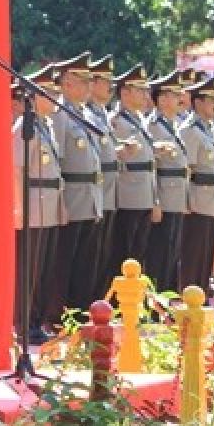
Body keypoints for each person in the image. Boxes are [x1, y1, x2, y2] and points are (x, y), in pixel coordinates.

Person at [12, 65, 63, 344]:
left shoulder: (46, 127)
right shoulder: (25, 126)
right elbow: (16, 169)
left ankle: (37, 320)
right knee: (29, 268)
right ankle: (24, 322)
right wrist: (18, 206)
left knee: (43, 268)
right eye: (50, 93)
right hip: (32, 201)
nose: (56, 98)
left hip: (49, 202)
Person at [50, 52, 104, 315]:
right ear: (68, 82)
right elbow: (56, 161)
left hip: (90, 194)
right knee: (65, 258)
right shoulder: (58, 115)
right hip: (71, 195)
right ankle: (60, 312)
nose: (89, 87)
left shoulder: (86, 114)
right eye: (83, 81)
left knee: (86, 259)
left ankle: (81, 309)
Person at [179, 76, 214, 297]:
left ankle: (201, 293)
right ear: (197, 103)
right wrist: (186, 201)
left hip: (213, 197)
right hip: (197, 197)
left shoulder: (211, 128)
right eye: (211, 100)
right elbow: (186, 169)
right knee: (194, 251)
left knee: (206, 251)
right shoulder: (190, 130)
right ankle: (190, 296)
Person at [110, 65, 157, 278]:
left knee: (140, 250)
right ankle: (123, 301)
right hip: (128, 193)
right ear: (125, 93)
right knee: (124, 252)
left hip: (144, 191)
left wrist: (155, 198)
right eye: (140, 90)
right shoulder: (116, 121)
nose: (146, 95)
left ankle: (137, 299)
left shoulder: (139, 120)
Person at [146, 70, 187, 293]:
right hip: (164, 192)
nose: (179, 98)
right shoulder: (153, 125)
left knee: (172, 252)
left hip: (177, 194)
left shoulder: (172, 124)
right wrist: (155, 200)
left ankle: (168, 296)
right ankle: (156, 300)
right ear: (161, 99)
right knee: (159, 252)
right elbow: (152, 167)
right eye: (173, 94)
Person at [85, 55, 120, 299]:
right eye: (104, 81)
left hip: (107, 187)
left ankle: (100, 298)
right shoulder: (85, 113)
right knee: (92, 250)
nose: (110, 87)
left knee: (104, 250)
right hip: (93, 190)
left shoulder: (101, 113)